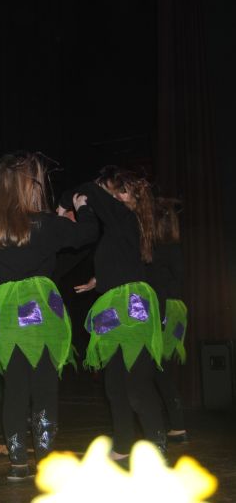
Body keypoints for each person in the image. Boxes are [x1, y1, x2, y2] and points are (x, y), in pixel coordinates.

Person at [0, 153, 97, 480]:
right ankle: (44, 460)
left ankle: (18, 462)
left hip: (4, 318)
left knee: (14, 389)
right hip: (41, 315)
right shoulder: (47, 225)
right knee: (44, 387)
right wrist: (82, 208)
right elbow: (87, 233)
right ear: (28, 187)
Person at [74, 167, 166, 461]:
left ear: (132, 197)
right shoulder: (119, 226)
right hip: (112, 305)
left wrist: (73, 202)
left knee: (136, 383)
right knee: (114, 384)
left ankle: (157, 447)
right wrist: (98, 280)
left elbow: (90, 188)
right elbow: (122, 261)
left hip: (132, 307)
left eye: (118, 191)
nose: (112, 196)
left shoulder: (126, 217)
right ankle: (123, 445)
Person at [148, 197, 188, 444]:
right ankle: (176, 425)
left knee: (157, 370)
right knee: (160, 370)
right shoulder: (173, 247)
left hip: (164, 310)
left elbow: (160, 286)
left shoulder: (158, 250)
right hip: (175, 311)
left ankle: (175, 425)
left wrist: (160, 318)